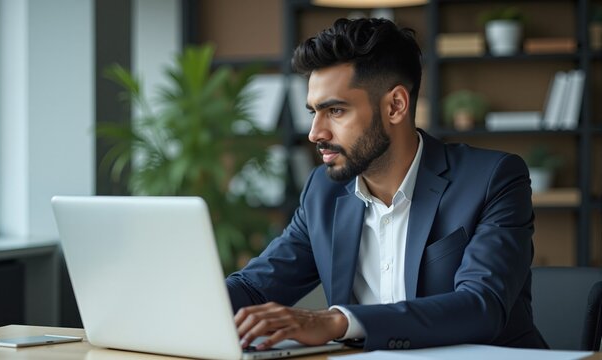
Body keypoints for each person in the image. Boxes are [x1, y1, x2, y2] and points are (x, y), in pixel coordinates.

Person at [226, 17, 548, 351]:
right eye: (313, 113)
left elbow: (482, 306)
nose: (315, 133)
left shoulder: (493, 178)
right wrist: (185, 304)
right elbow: (254, 287)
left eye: (335, 111)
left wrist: (338, 321)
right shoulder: (323, 191)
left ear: (395, 106)